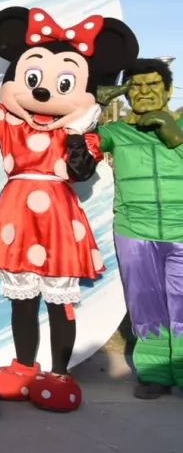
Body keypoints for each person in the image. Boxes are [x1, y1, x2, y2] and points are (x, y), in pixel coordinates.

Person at [0, 8, 139, 412]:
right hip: (17, 220)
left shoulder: (80, 135)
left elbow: (79, 171)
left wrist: (78, 134)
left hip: (58, 221)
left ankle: (59, 372)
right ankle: (23, 365)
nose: (40, 94)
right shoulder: (9, 124)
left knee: (59, 300)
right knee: (21, 299)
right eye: (33, 79)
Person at [89, 58, 183, 399]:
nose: (143, 93)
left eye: (152, 85)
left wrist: (176, 137)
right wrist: (95, 103)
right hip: (134, 230)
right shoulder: (117, 131)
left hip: (182, 231)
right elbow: (76, 146)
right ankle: (155, 374)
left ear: (169, 89)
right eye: (135, 87)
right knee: (146, 304)